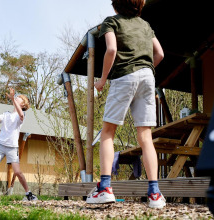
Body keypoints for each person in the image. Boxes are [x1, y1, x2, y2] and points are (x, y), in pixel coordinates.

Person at [86, 0, 166, 208]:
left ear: (115, 6)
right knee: (145, 135)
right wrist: (145, 70)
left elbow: (111, 50)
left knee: (108, 132)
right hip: (148, 77)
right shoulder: (145, 25)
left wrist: (102, 80)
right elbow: (160, 54)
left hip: (124, 77)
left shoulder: (111, 21)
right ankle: (155, 195)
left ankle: (104, 188)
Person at [0, 88, 37, 201]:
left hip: (12, 148)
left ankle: (29, 194)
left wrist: (12, 99)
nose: (17, 98)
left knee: (17, 172)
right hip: (0, 145)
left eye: (19, 99)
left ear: (23, 105)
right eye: (17, 97)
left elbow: (21, 114)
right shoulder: (6, 114)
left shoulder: (21, 116)